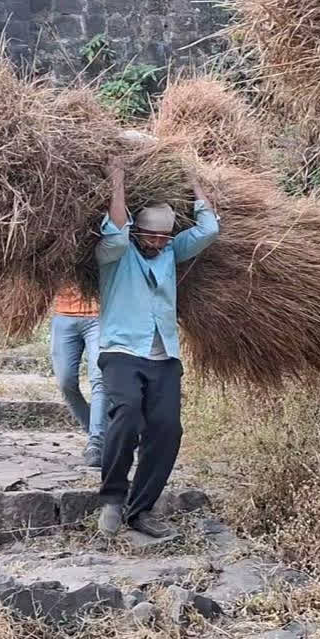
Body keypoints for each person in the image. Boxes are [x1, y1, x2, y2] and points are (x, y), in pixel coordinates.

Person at [93, 158, 219, 539]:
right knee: (127, 413)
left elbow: (210, 228)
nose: (157, 243)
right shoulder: (115, 255)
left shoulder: (169, 253)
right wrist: (117, 178)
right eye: (149, 236)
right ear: (137, 232)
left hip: (165, 356)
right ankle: (113, 498)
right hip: (121, 352)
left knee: (167, 430)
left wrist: (195, 181)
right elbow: (116, 230)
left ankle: (141, 509)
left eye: (163, 238)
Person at [50, 284, 106, 468]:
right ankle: (96, 430)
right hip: (63, 316)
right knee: (65, 382)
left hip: (99, 315)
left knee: (99, 379)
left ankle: (96, 443)